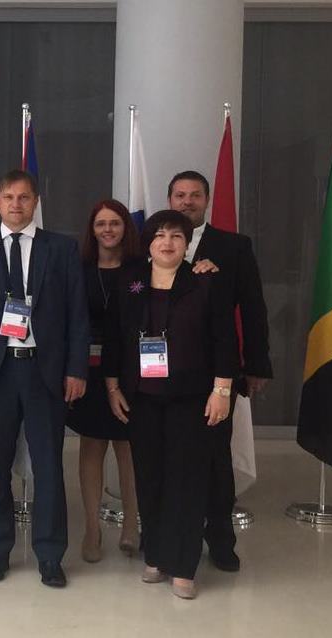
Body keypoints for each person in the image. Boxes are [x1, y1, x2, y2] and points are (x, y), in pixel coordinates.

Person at [0, 169, 89, 586]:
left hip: (45, 373)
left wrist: (76, 369)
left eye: (24, 197)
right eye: (9, 197)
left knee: (48, 466)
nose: (16, 204)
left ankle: (50, 554)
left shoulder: (61, 249)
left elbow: (77, 314)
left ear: (36, 202)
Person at [103, 209, 237, 599]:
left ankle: (183, 565)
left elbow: (224, 341)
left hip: (191, 399)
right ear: (148, 242)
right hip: (141, 399)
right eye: (159, 235)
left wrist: (222, 391)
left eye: (176, 236)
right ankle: (157, 556)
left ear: (187, 243)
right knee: (150, 478)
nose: (167, 242)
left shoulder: (205, 281)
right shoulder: (131, 281)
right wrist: (112, 387)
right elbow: (114, 336)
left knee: (187, 481)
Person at [167, 171, 272, 573]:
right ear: (170, 199)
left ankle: (221, 540)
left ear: (207, 200)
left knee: (215, 461)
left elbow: (253, 308)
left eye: (195, 195)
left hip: (216, 375)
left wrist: (256, 364)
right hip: (162, 375)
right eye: (180, 195)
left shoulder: (233, 247)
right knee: (169, 459)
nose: (187, 202)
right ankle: (165, 537)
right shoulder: (153, 242)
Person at [68, 199, 142, 563]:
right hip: (88, 369)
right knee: (92, 446)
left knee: (128, 447)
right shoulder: (79, 269)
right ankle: (92, 529)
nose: (108, 230)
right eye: (101, 224)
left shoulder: (141, 269)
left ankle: (131, 524)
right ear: (92, 230)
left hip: (132, 370)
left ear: (126, 227)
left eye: (115, 223)